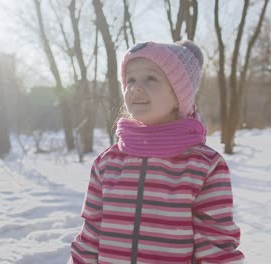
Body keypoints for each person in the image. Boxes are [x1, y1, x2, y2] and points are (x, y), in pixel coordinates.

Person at [69, 40, 244, 264]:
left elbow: (216, 246)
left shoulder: (204, 166)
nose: (136, 87)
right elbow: (90, 235)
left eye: (151, 78)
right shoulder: (107, 163)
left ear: (179, 95)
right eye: (130, 79)